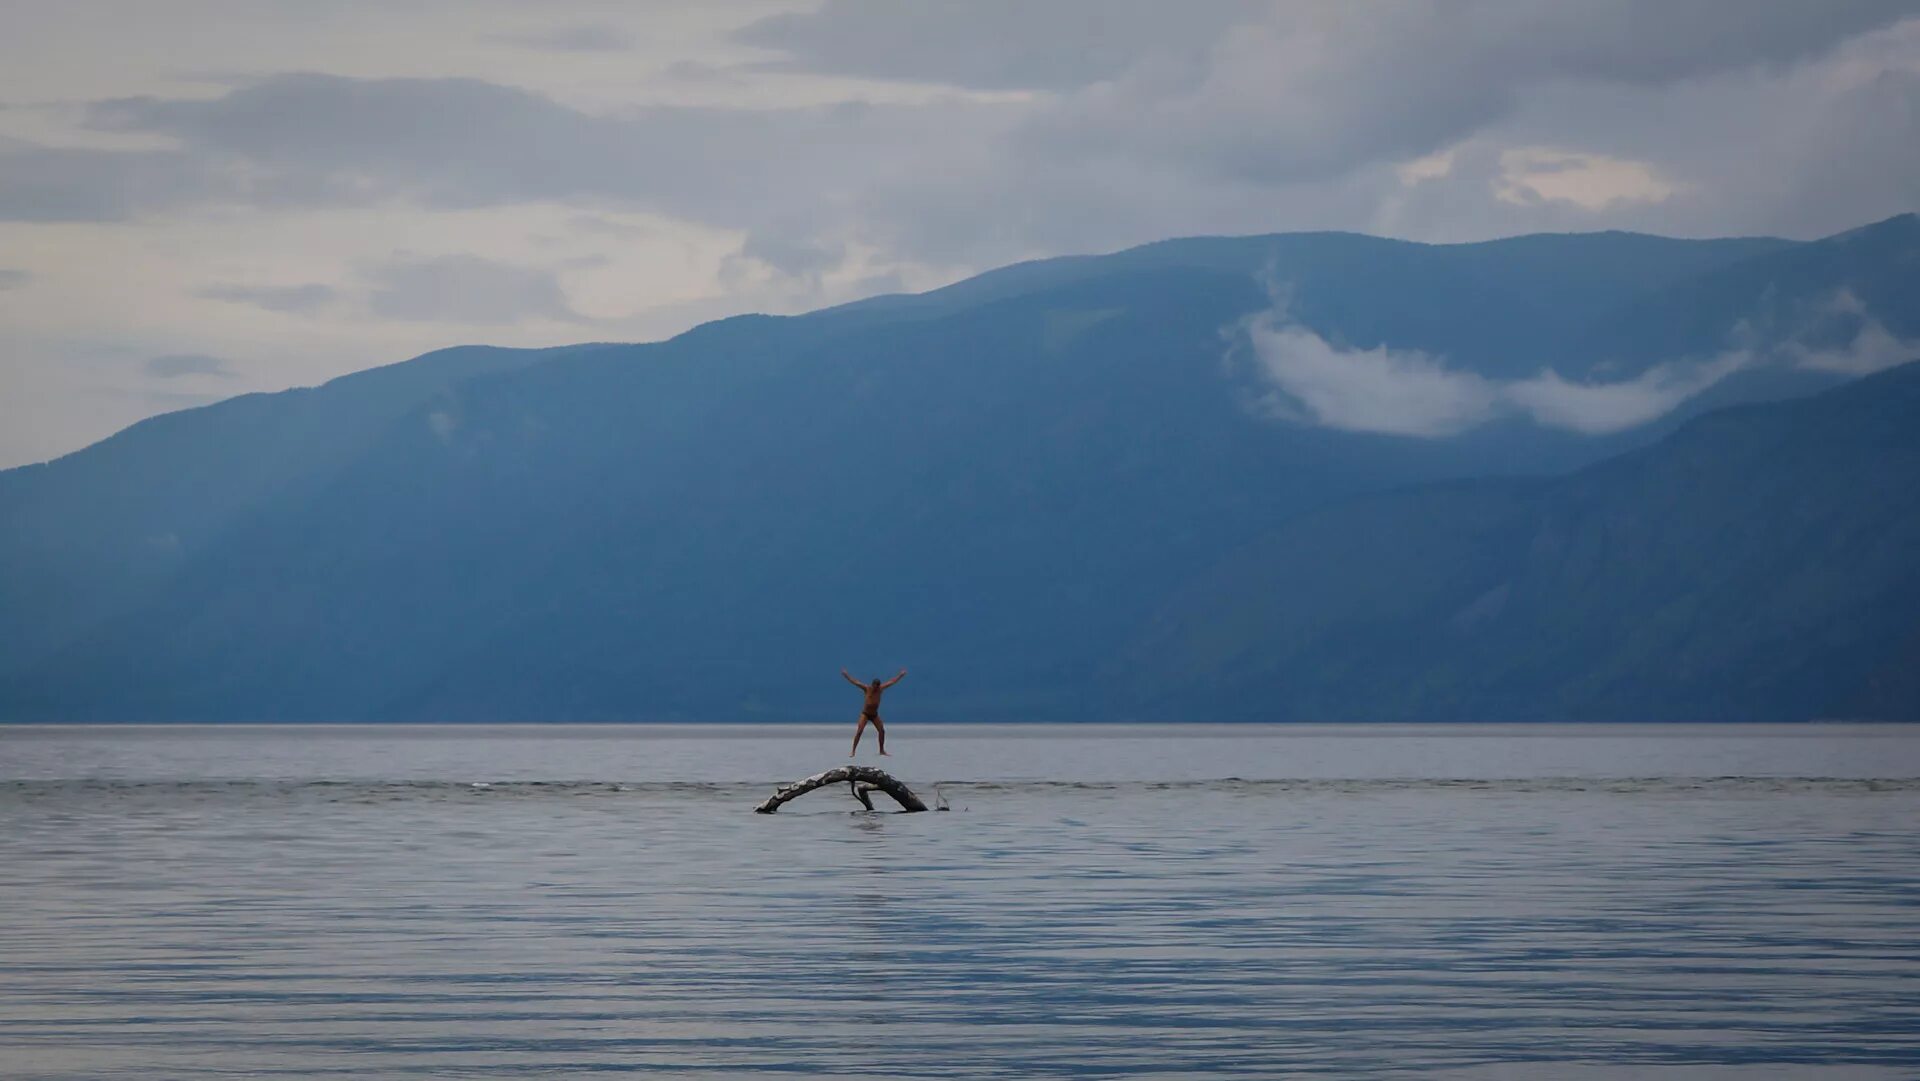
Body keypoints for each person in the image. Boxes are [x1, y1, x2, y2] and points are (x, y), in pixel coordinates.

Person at [843, 667, 906, 756]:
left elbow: (892, 682)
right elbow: (855, 682)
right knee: (860, 731)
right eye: (874, 687)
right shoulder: (867, 688)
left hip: (874, 715)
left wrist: (900, 675)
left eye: (877, 687)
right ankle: (853, 751)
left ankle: (881, 750)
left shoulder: (880, 689)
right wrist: (846, 675)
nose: (875, 689)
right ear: (872, 685)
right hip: (865, 714)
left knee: (882, 730)